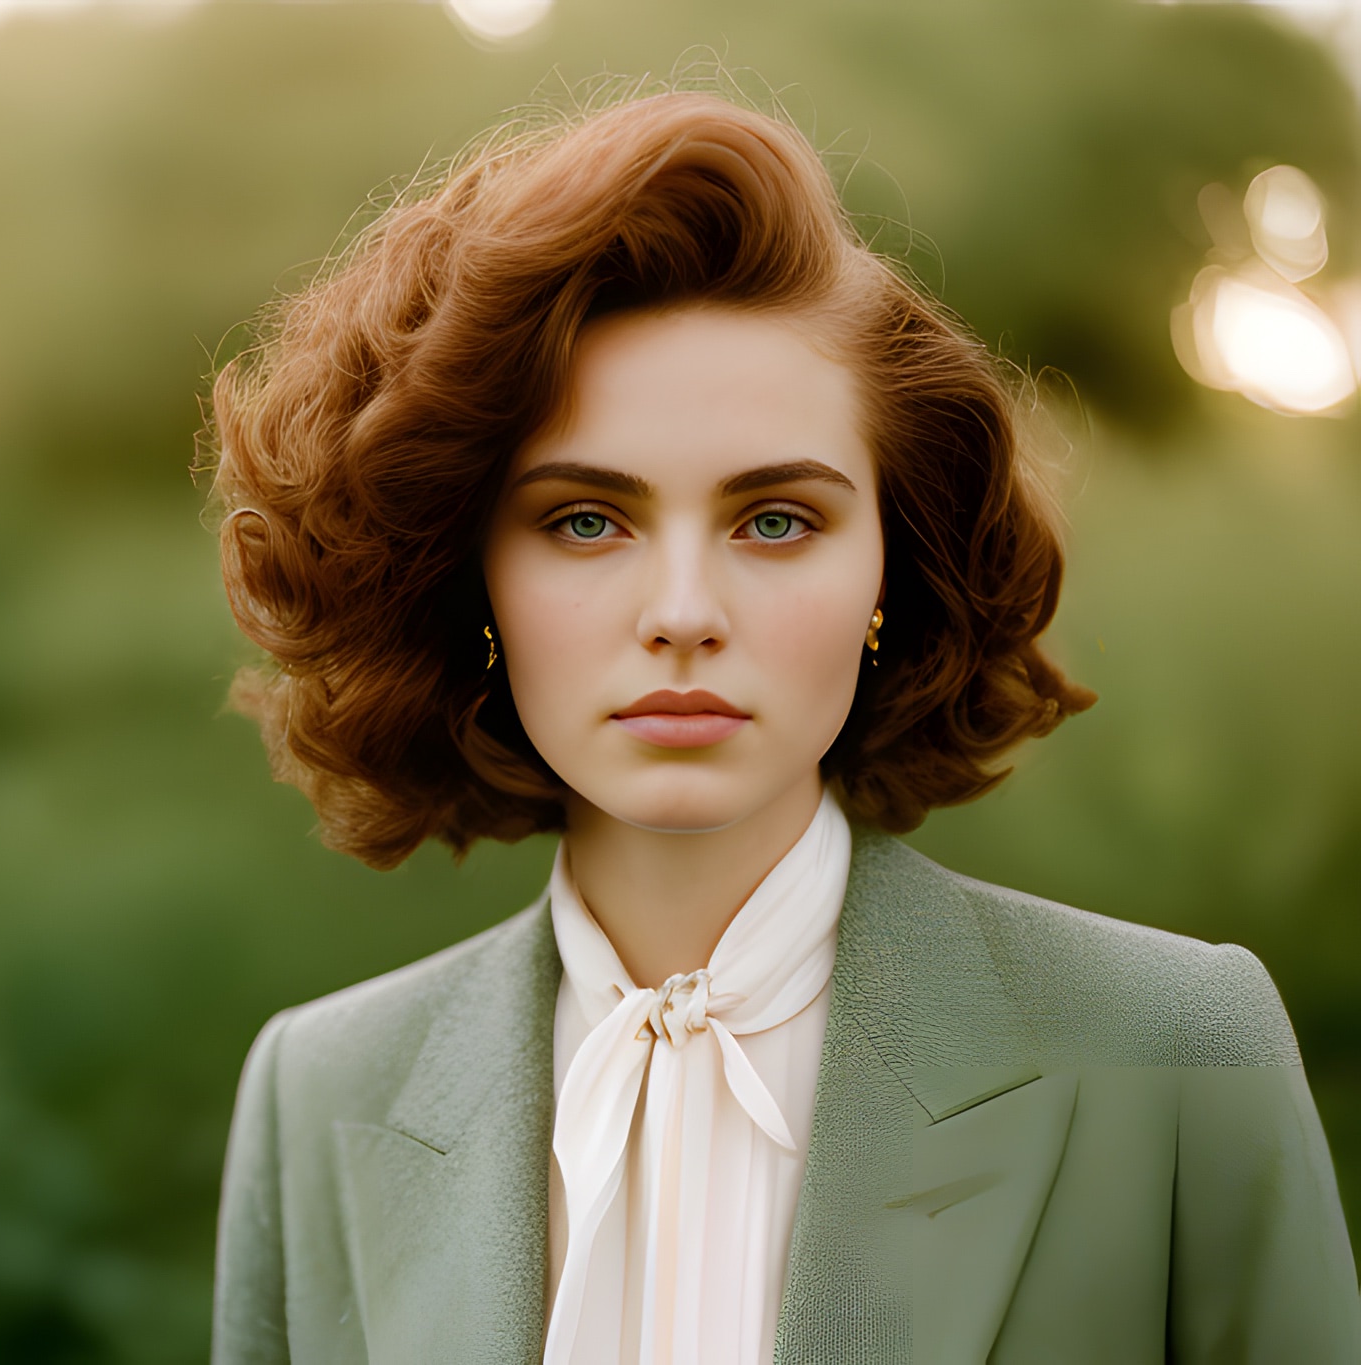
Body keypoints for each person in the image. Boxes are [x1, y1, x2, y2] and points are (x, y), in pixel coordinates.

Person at [201, 90, 1360, 1364]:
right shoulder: (319, 1097)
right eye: (584, 520)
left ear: (890, 575)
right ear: (467, 577)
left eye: (774, 521)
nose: (683, 614)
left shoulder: (1173, 1053)